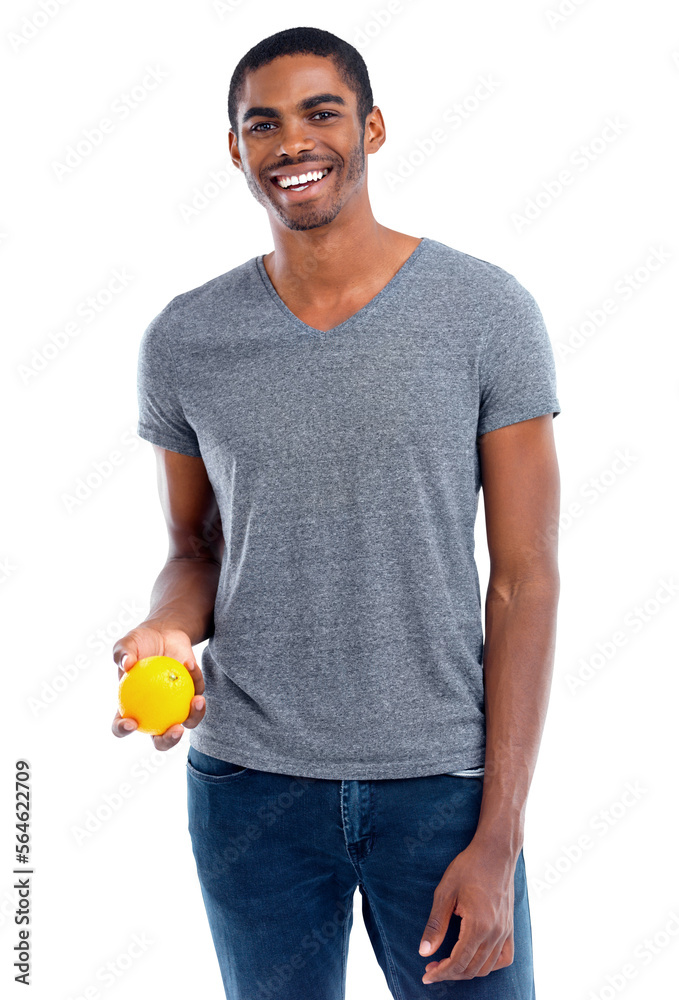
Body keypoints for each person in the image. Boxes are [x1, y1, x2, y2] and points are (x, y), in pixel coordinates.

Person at [111, 25, 561, 1000]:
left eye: (321, 113)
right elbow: (195, 549)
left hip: (441, 788)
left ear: (372, 128)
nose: (292, 142)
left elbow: (524, 579)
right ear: (235, 149)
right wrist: (166, 628)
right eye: (261, 124)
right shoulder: (188, 339)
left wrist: (498, 833)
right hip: (249, 792)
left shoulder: (485, 312)